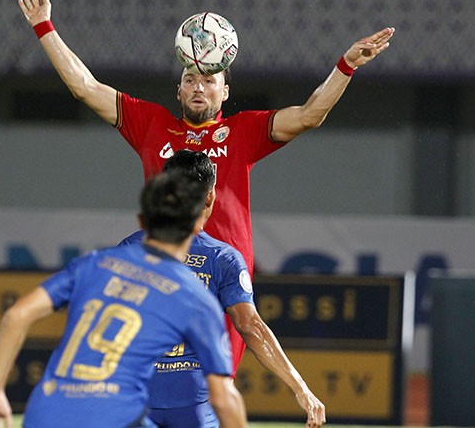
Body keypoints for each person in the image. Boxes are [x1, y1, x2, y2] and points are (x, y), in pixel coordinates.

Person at [17, 0, 395, 372]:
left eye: (209, 79)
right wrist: (44, 25)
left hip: (222, 283)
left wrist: (346, 66)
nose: (199, 86)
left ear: (225, 91)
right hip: (164, 276)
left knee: (214, 389)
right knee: (155, 389)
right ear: (178, 91)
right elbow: (85, 87)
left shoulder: (244, 132)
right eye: (190, 79)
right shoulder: (151, 125)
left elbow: (310, 114)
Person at [0, 171, 247, 428]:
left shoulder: (93, 263)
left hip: (45, 412)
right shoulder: (194, 296)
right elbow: (223, 398)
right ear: (194, 224)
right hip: (113, 417)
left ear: (141, 221)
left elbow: (16, 316)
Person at [120, 149, 325, 428]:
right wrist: (300, 387)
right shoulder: (222, 258)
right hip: (196, 402)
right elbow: (250, 327)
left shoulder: (131, 249)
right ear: (210, 196)